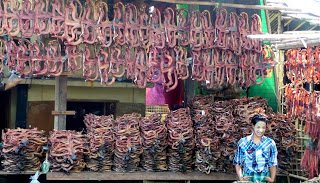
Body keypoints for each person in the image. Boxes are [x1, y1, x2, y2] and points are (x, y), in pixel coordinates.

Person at [233, 114, 278, 183]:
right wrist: (241, 178)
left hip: (263, 179)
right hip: (247, 179)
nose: (261, 130)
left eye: (263, 127)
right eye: (258, 127)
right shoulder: (243, 142)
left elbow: (273, 163)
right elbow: (237, 162)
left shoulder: (270, 143)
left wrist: (271, 179)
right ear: (253, 126)